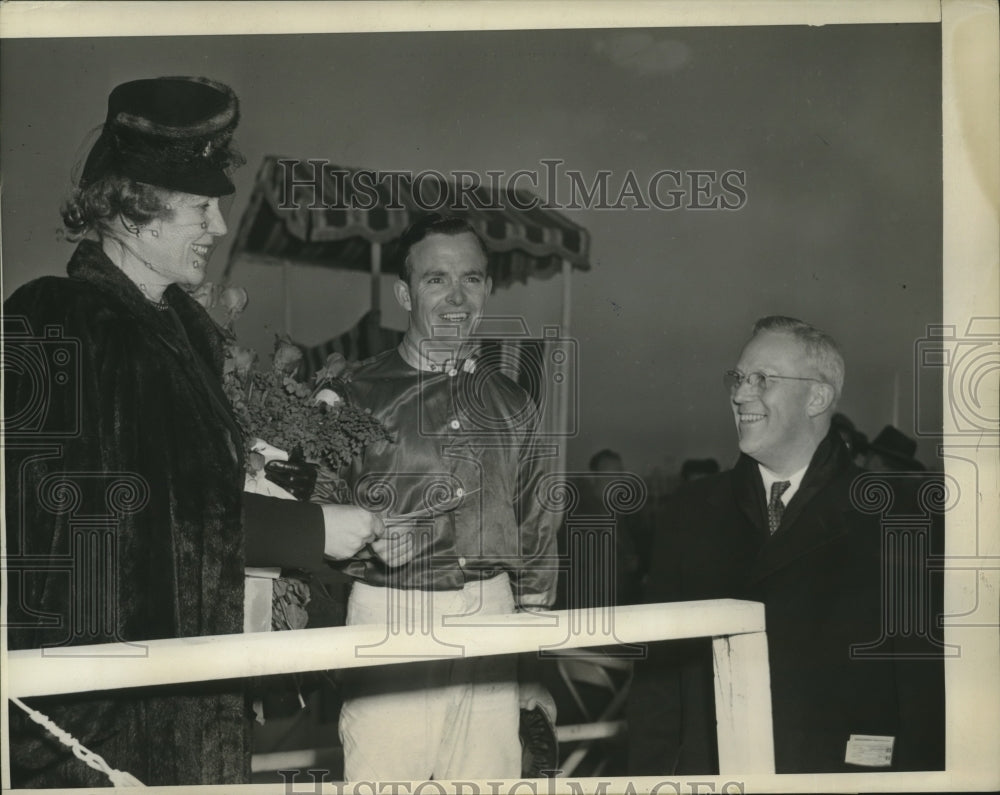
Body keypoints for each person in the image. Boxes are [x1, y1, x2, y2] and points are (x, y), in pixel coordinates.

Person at [3, 76, 379, 788]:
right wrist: (310, 531)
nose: (217, 227)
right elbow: (117, 521)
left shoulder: (183, 332)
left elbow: (187, 498)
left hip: (190, 701)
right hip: (102, 722)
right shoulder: (59, 320)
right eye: (200, 207)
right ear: (133, 209)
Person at [628, 315, 944, 774]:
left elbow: (923, 696)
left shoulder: (899, 517)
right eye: (737, 378)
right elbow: (657, 684)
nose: (739, 394)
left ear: (817, 397)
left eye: (762, 380)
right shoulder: (691, 511)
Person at [321, 214, 559, 780]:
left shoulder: (514, 403)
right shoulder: (352, 390)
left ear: (488, 288)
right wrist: (370, 537)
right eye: (436, 280)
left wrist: (531, 663)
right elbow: (309, 519)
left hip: (494, 617)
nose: (457, 297)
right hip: (388, 610)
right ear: (405, 292)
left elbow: (538, 539)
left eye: (471, 279)